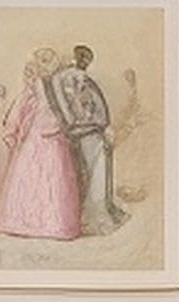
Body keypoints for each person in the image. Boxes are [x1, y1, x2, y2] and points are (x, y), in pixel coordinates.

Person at [0, 54, 81, 242]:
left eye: (49, 60)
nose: (46, 64)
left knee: (54, 175)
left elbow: (68, 107)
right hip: (37, 133)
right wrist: (13, 126)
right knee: (33, 174)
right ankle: (27, 223)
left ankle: (55, 225)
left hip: (53, 133)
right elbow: (23, 104)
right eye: (43, 60)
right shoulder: (40, 84)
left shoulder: (58, 83)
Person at [49, 45, 124, 232]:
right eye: (84, 59)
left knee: (87, 173)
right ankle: (94, 218)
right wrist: (100, 125)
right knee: (94, 173)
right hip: (88, 130)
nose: (84, 63)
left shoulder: (62, 79)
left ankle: (93, 215)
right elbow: (86, 106)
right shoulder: (74, 78)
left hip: (82, 130)